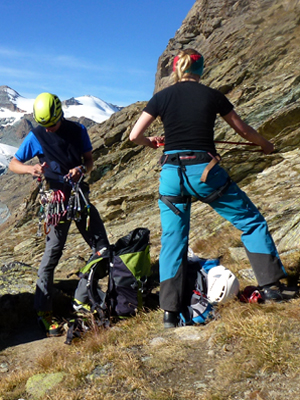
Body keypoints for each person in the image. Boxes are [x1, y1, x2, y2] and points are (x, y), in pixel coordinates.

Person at [129, 48, 298, 329]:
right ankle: (270, 287)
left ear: (176, 70)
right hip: (204, 172)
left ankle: (170, 313)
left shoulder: (161, 98)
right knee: (251, 221)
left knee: (174, 241)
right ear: (201, 70)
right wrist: (265, 144)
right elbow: (243, 130)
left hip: (171, 174)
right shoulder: (212, 95)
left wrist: (153, 142)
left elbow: (135, 136)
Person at [9, 92, 109, 336]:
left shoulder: (78, 131)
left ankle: (83, 297)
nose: (49, 130)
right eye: (45, 125)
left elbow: (88, 161)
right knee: (52, 254)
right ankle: (44, 312)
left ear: (60, 115)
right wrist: (30, 168)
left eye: (52, 124)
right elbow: (13, 163)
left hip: (79, 198)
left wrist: (80, 170)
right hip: (56, 202)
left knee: (102, 249)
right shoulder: (36, 135)